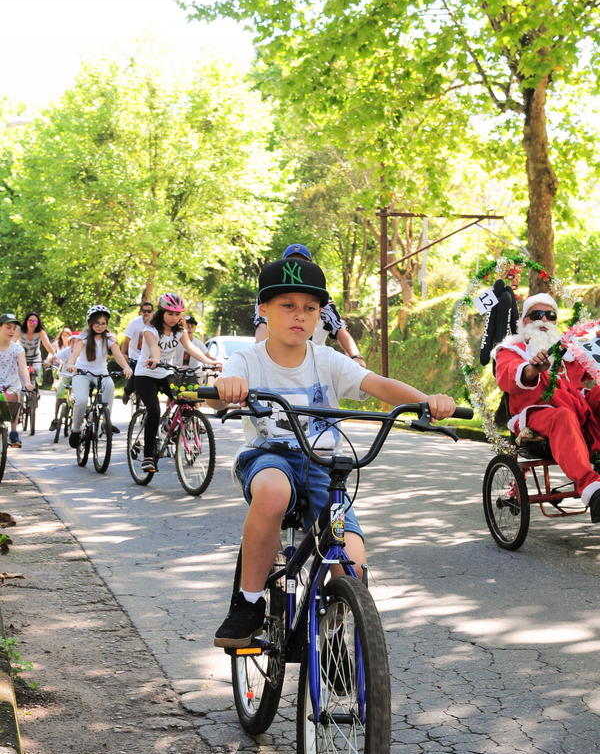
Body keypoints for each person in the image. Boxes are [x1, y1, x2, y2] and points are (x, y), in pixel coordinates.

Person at [210, 257, 457, 647]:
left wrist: (428, 402)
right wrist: (229, 389)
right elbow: (223, 390)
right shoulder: (248, 359)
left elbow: (379, 385)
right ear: (263, 310)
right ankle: (249, 601)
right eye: (287, 305)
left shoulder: (327, 359)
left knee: (351, 563)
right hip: (268, 457)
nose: (300, 315)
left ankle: (335, 641)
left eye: (310, 308)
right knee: (273, 492)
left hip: (323, 464)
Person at [493, 293, 600, 523]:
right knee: (562, 415)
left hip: (579, 413)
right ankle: (592, 489)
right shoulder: (511, 350)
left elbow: (590, 368)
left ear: (555, 321)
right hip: (537, 415)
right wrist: (532, 369)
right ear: (524, 321)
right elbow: (509, 376)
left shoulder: (569, 352)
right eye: (536, 315)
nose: (543, 320)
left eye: (549, 315)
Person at [134, 293, 218, 473]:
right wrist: (155, 359)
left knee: (186, 398)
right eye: (170, 313)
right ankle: (148, 456)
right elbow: (154, 347)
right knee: (154, 410)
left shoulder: (180, 331)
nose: (174, 318)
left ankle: (171, 427)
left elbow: (191, 348)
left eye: (178, 314)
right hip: (145, 374)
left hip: (166, 373)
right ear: (162, 312)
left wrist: (210, 362)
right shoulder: (150, 330)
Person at [254, 243, 367, 367]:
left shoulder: (322, 299)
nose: (297, 268)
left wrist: (355, 356)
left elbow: (338, 327)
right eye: (288, 305)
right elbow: (262, 325)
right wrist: (262, 358)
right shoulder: (270, 297)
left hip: (316, 364)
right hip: (278, 361)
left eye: (310, 308)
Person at [66, 306, 132, 448]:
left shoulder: (109, 338)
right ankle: (76, 430)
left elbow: (118, 354)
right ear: (90, 323)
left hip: (101, 373)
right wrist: (71, 364)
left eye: (103, 323)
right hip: (82, 373)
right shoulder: (82, 338)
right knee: (82, 401)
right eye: (97, 323)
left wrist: (126, 367)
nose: (100, 326)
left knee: (110, 387)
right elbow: (75, 354)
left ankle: (105, 422)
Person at [0, 313, 34, 448]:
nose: (12, 331)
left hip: (11, 384)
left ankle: (14, 432)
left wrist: (27, 382)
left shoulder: (17, 349)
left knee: (18, 396)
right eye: (8, 327)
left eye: (14, 328)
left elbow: (23, 368)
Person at [121, 301, 154, 405]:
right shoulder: (134, 323)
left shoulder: (155, 324)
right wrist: (123, 354)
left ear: (152, 312)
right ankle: (127, 392)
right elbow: (127, 340)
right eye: (144, 311)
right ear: (140, 312)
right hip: (135, 356)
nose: (146, 313)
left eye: (149, 311)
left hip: (148, 358)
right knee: (132, 382)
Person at [46, 332, 80, 429]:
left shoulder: (83, 352)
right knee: (59, 395)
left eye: (77, 341)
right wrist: (48, 361)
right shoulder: (67, 350)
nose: (74, 343)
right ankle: (56, 418)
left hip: (79, 377)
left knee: (78, 397)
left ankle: (78, 419)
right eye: (72, 341)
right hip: (66, 375)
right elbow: (56, 356)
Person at [18, 312, 55, 383]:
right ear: (26, 321)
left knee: (33, 374)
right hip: (22, 359)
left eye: (35, 321)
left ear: (38, 323)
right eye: (30, 320)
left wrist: (49, 359)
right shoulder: (20, 331)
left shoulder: (40, 332)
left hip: (35, 359)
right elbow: (11, 343)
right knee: (21, 378)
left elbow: (48, 346)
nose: (33, 323)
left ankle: (34, 389)